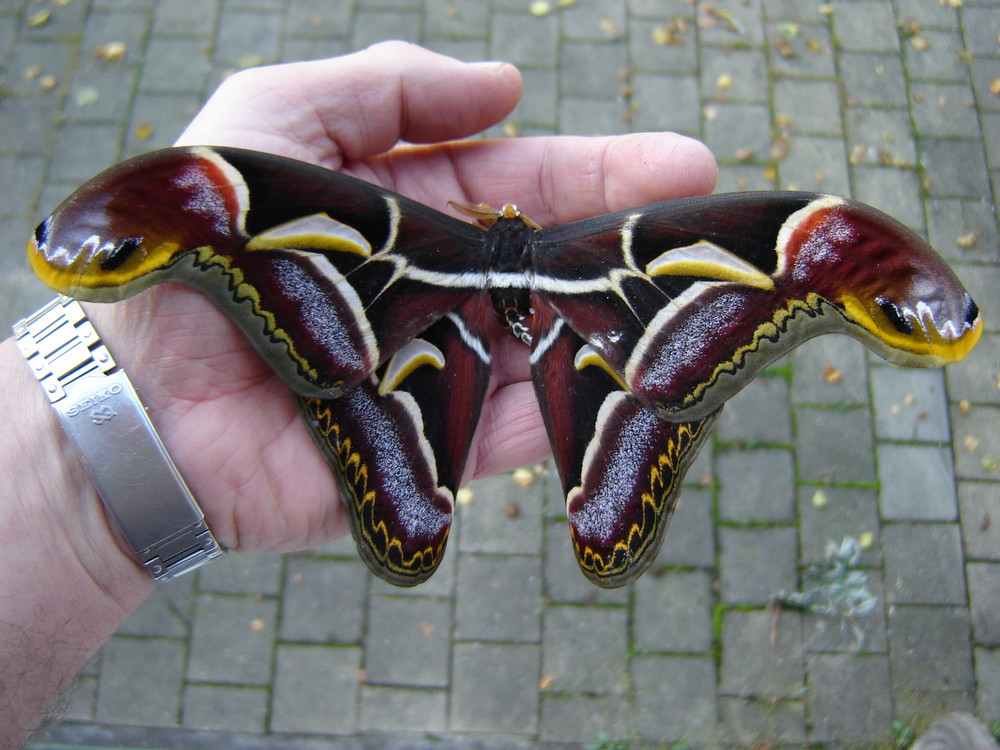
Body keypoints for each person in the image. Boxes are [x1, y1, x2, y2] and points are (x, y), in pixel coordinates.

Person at [0, 41, 717, 747]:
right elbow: (207, 201)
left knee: (455, 448)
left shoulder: (402, 231)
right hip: (563, 325)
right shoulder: (603, 249)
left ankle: (576, 505)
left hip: (419, 329)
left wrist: (76, 495)